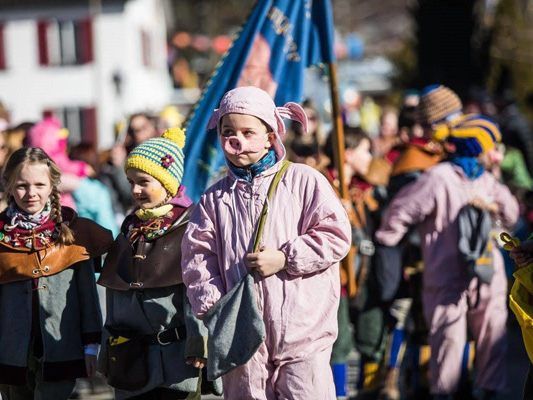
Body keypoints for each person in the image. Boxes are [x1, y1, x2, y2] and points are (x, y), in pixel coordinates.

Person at [181, 86, 351, 399]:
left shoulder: (304, 180)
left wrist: (286, 257)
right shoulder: (213, 198)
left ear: (270, 135)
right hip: (242, 339)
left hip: (302, 333)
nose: (237, 140)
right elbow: (197, 260)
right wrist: (218, 309)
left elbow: (335, 235)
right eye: (228, 131)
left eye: (248, 131)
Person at [376, 115, 519, 400]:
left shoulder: (475, 179)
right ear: (478, 148)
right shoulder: (443, 178)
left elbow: (511, 214)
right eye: (492, 146)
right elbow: (401, 211)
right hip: (461, 271)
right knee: (456, 337)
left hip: (470, 271)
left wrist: (391, 240)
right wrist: (391, 243)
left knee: (481, 333)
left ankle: (473, 391)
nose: (496, 154)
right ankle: (463, 391)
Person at [97, 128, 221, 399]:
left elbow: (197, 290)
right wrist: (107, 348)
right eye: (130, 182)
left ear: (168, 183)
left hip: (178, 360)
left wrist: (199, 341)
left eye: (143, 182)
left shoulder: (191, 225)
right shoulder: (130, 227)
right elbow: (116, 295)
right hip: (131, 359)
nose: (136, 190)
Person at [0, 147, 112, 400]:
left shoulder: (73, 234)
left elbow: (87, 296)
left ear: (52, 186)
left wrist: (91, 345)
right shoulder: (1, 237)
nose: (31, 193)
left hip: (63, 346)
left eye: (39, 184)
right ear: (8, 185)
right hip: (11, 351)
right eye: (21, 185)